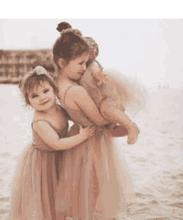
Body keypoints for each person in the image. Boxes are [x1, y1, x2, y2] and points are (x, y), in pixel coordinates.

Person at [52, 22, 137, 220]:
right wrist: (117, 122)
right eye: (81, 63)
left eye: (85, 62)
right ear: (64, 63)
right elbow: (99, 120)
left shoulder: (61, 84)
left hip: (78, 136)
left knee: (81, 188)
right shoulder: (76, 90)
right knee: (95, 190)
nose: (84, 67)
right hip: (91, 141)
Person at [8, 66, 96, 220]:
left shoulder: (58, 108)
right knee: (47, 197)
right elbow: (57, 143)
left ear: (55, 91)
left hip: (60, 157)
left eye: (46, 91)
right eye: (34, 96)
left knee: (61, 194)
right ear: (29, 102)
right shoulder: (39, 122)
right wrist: (82, 136)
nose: (42, 97)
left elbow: (75, 115)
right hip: (43, 162)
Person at [55, 22, 140, 145]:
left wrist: (99, 78)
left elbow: (97, 74)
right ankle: (120, 128)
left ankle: (130, 127)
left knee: (108, 110)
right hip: (94, 103)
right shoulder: (74, 73)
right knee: (107, 125)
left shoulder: (92, 66)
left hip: (103, 99)